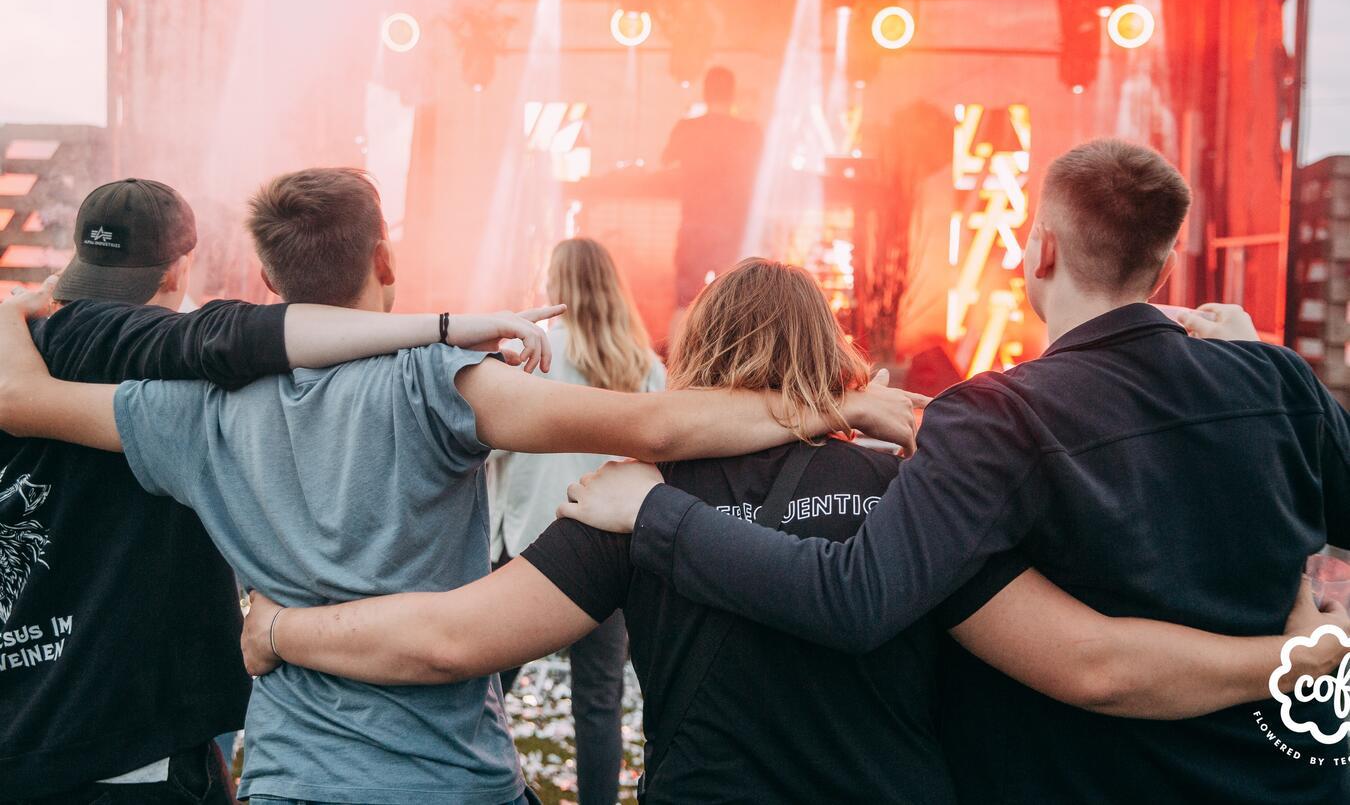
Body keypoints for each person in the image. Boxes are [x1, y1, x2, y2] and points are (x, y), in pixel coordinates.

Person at [237, 259, 1345, 804]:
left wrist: (284, 629)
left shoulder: (637, 491)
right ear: (827, 347)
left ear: (700, 346)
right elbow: (1088, 657)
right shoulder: (915, 487)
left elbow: (445, 640)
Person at [0, 168, 921, 805]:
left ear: (269, 276)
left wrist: (17, 305)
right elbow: (650, 423)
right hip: (440, 772)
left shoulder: (189, 413)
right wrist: (831, 406)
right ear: (386, 260)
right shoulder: (437, 383)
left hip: (293, 773)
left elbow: (27, 401)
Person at [561, 139, 1350, 803]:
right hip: (1293, 777)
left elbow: (856, 596)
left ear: (1042, 247)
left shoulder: (995, 414)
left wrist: (659, 513)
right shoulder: (1276, 381)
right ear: (1166, 263)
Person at [0, 177, 561, 804]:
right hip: (135, 746)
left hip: (27, 731)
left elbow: (25, 398)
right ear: (178, 271)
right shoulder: (158, 352)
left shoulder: (31, 348)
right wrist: (445, 328)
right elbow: (257, 337)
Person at [487, 238, 663, 805]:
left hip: (531, 541)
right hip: (611, 547)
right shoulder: (644, 366)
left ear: (557, 286)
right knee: (598, 698)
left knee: (487, 681)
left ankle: (470, 782)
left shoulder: (530, 356)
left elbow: (489, 448)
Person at [662, 66, 763, 309]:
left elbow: (665, 161)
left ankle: (682, 347)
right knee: (735, 304)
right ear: (733, 94)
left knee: (685, 303)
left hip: (695, 228)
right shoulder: (750, 132)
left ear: (705, 94)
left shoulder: (687, 128)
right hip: (733, 231)